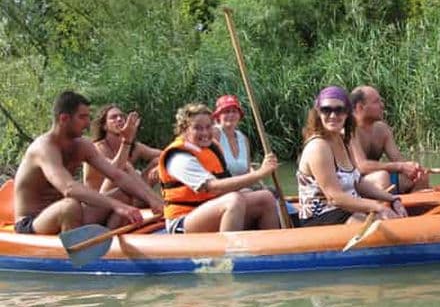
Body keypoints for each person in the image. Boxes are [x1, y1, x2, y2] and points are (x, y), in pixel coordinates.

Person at [13, 91, 164, 235]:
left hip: (71, 214)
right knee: (69, 206)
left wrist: (152, 200)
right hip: (33, 221)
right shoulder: (44, 147)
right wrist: (118, 206)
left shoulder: (82, 145)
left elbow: (117, 175)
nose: (88, 123)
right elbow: (68, 188)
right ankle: (75, 254)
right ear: (64, 119)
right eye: (82, 117)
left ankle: (108, 245)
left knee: (125, 192)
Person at [157, 103, 280, 234]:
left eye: (208, 127)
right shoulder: (178, 157)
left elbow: (226, 183)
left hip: (211, 208)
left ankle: (271, 251)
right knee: (233, 200)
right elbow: (214, 187)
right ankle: (227, 253)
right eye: (197, 128)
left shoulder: (212, 148)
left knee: (265, 197)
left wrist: (251, 189)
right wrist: (259, 174)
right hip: (183, 219)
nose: (205, 133)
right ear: (184, 129)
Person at [296, 85, 407, 226]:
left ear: (347, 113)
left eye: (339, 110)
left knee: (391, 220)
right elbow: (334, 197)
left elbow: (358, 182)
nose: (333, 116)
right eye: (326, 110)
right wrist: (377, 206)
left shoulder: (344, 141)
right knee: (382, 225)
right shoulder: (318, 146)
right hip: (323, 216)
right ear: (318, 113)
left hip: (347, 210)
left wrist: (392, 199)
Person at [349, 85, 430, 193]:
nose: (382, 105)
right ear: (360, 107)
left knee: (420, 177)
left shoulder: (382, 129)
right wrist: (400, 166)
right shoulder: (349, 130)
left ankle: (413, 208)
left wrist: (412, 168)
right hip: (353, 183)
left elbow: (398, 160)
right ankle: (385, 208)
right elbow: (362, 167)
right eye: (376, 102)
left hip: (379, 179)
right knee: (382, 177)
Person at [84, 104, 162, 201]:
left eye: (122, 116)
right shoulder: (95, 148)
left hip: (128, 197)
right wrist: (127, 140)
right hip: (101, 202)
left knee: (159, 161)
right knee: (125, 166)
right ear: (104, 126)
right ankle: (156, 201)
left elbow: (165, 153)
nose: (119, 119)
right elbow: (117, 169)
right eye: (114, 117)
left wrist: (160, 165)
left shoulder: (135, 147)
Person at [211, 95, 251, 176]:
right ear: (218, 116)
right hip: (222, 185)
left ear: (239, 115)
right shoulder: (214, 133)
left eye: (234, 111)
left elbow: (248, 170)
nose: (231, 115)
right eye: (227, 111)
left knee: (270, 189)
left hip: (243, 185)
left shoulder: (243, 138)